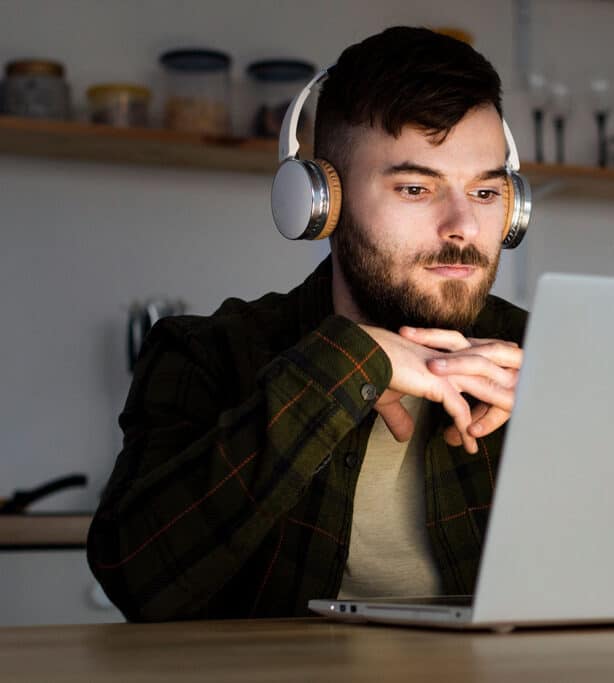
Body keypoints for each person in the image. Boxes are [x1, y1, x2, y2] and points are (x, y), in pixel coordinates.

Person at [87, 27, 528, 622]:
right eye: (417, 188)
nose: (464, 227)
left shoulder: (541, 356)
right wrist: (343, 367)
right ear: (322, 203)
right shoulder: (206, 352)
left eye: (484, 191)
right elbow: (135, 579)